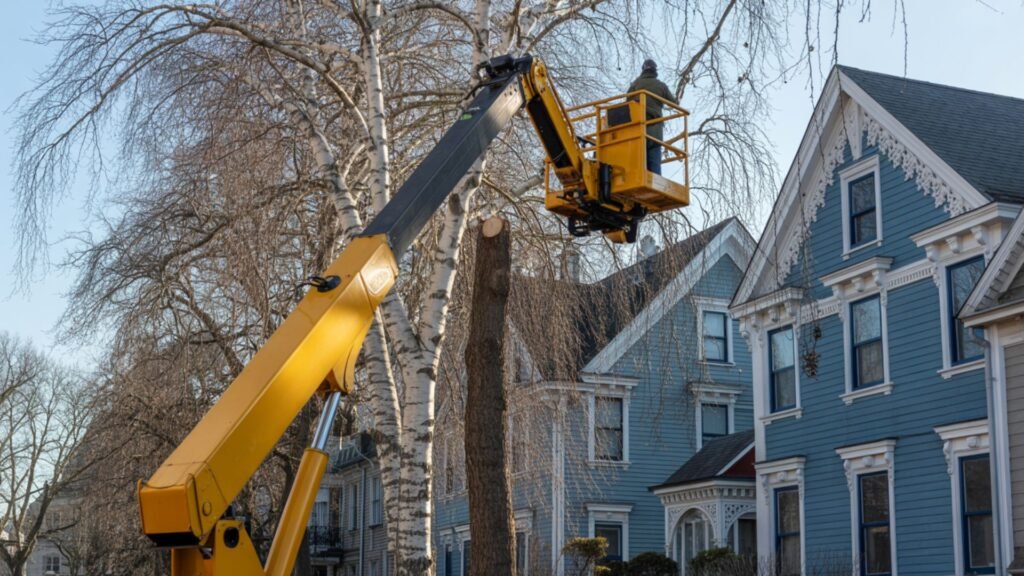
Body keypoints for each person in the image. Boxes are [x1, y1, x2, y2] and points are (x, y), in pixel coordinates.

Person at [627, 59, 678, 175]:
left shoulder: (636, 84)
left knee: (639, 164)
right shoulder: (661, 86)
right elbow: (674, 103)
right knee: (654, 167)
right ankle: (655, 183)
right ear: (655, 70)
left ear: (643, 70)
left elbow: (627, 101)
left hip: (637, 131)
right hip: (655, 132)